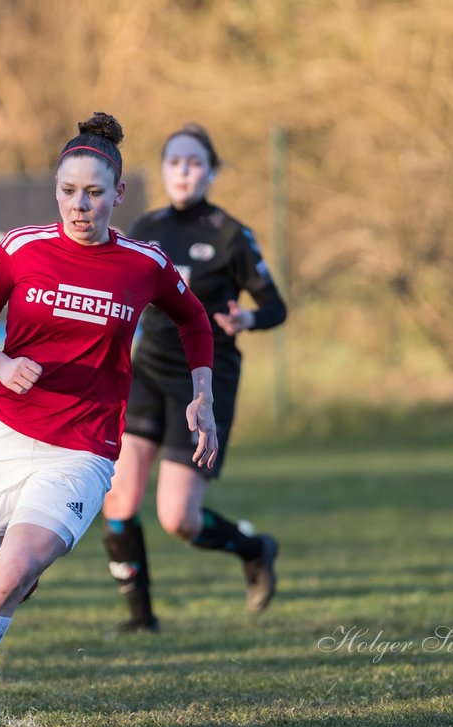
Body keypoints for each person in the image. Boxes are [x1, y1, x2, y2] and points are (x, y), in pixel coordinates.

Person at [0, 112, 217, 727]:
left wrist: (201, 396)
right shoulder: (20, 249)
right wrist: (0, 363)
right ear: (56, 190)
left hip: (84, 448)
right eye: (68, 191)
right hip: (3, 432)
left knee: (4, 581)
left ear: (118, 194)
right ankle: (20, 566)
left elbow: (193, 318)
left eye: (94, 192)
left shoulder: (143, 263)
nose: (80, 204)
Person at [101, 122, 288, 632]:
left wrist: (248, 319)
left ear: (211, 171)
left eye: (193, 162)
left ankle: (254, 548)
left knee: (178, 518)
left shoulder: (230, 235)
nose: (182, 171)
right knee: (117, 497)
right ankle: (141, 619)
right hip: (147, 371)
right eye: (173, 162)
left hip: (204, 381)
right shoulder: (145, 227)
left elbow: (275, 307)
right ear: (163, 170)